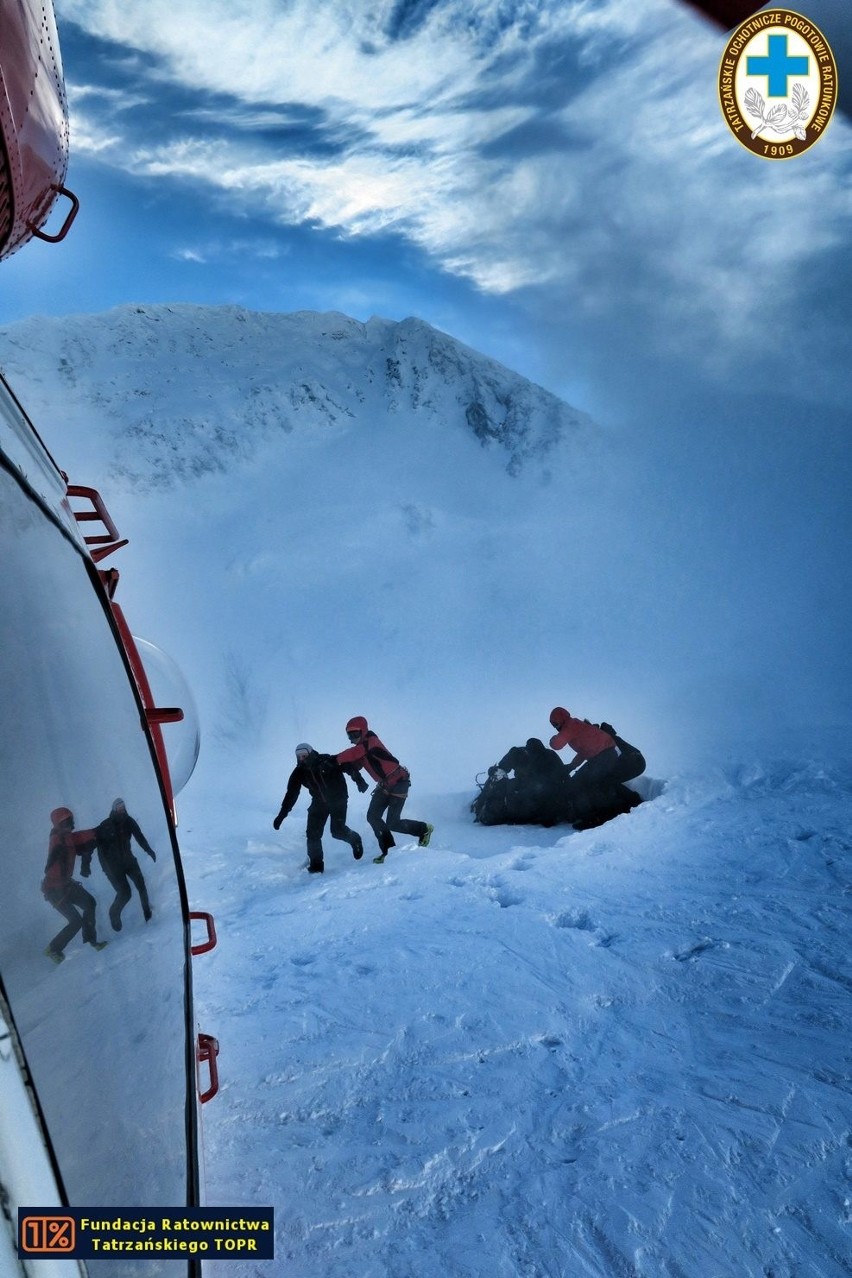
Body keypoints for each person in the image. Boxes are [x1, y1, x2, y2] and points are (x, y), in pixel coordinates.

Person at [336, 716, 434, 864]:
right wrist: (344, 768)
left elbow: (352, 754)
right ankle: (389, 851)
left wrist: (333, 759)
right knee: (373, 816)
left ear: (363, 731)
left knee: (393, 823)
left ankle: (424, 829)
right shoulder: (362, 749)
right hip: (384, 785)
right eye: (349, 734)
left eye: (355, 733)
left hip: (399, 782)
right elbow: (355, 763)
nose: (352, 737)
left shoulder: (371, 741)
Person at [273, 743, 365, 874]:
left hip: (338, 798)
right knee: (312, 834)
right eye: (299, 757)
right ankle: (316, 866)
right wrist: (282, 815)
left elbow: (347, 765)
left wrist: (359, 780)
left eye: (304, 756)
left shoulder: (326, 760)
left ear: (310, 754)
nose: (301, 759)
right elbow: (291, 794)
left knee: (337, 831)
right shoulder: (299, 772)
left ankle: (355, 839)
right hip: (318, 802)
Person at [42, 807, 107, 963]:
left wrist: (97, 831)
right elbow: (72, 840)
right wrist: (95, 834)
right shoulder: (58, 840)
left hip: (66, 886)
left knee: (90, 903)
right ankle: (53, 949)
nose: (69, 824)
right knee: (75, 921)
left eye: (70, 820)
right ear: (58, 825)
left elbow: (78, 838)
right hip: (54, 890)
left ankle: (90, 942)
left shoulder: (67, 838)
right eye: (64, 822)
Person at [95, 798, 157, 931]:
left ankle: (148, 915)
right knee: (125, 893)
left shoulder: (129, 821)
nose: (122, 809)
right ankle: (114, 913)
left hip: (129, 860)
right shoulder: (106, 825)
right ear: (114, 809)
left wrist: (148, 850)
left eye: (123, 806)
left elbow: (139, 836)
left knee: (141, 885)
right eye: (119, 807)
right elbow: (100, 850)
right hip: (114, 866)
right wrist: (106, 868)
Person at [548, 708, 619, 794]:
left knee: (576, 784)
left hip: (602, 757)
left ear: (561, 719)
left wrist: (552, 739)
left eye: (555, 724)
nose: (555, 727)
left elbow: (557, 745)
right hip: (605, 756)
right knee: (593, 783)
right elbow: (584, 752)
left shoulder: (571, 725)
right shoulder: (576, 726)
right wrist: (572, 766)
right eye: (553, 725)